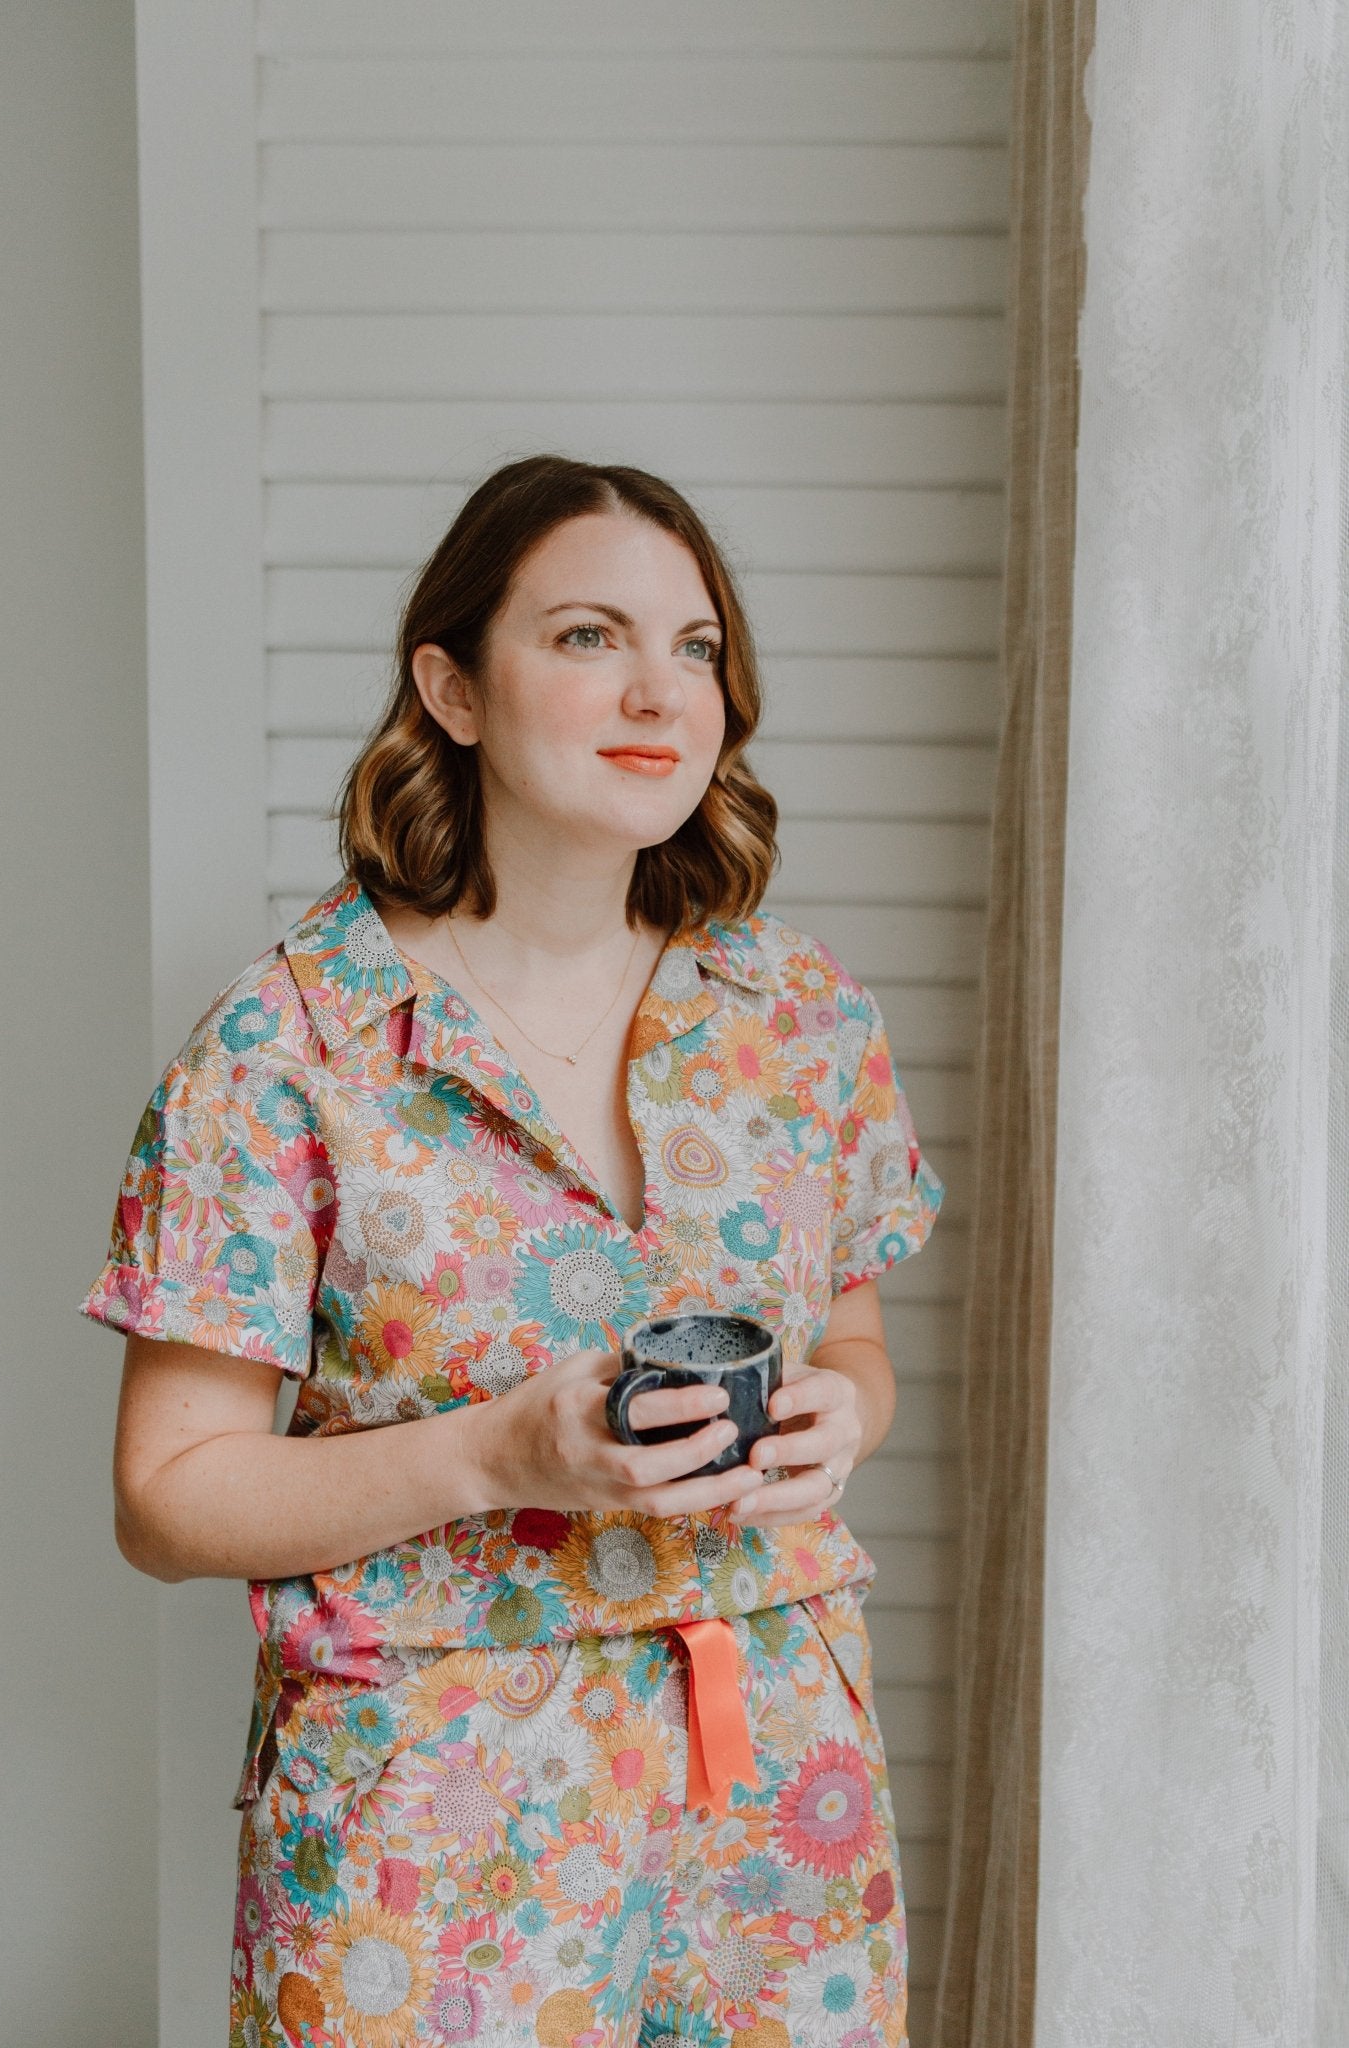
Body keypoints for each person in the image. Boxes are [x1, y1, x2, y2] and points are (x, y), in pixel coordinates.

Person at [84, 454, 944, 2048]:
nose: (657, 691)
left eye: (694, 648)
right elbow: (167, 1498)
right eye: (585, 636)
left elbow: (855, 1345)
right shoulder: (287, 1048)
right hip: (433, 1819)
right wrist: (496, 1453)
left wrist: (844, 1416)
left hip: (771, 1783)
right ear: (452, 689)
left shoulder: (798, 1018)